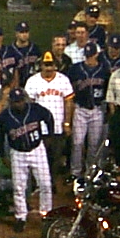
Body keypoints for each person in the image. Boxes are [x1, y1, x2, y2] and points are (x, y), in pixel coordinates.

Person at [0, 88, 54, 233]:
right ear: (10, 102)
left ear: (25, 99)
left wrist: (49, 136)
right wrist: (3, 156)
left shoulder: (35, 109)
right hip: (17, 154)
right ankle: (20, 217)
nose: (19, 104)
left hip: (37, 150)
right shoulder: (4, 116)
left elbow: (49, 117)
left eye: (21, 100)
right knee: (19, 188)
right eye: (16, 102)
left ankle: (46, 213)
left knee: (45, 184)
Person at [24, 51, 74, 186]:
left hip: (57, 127)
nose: (48, 68)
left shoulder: (63, 80)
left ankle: (50, 184)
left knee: (55, 158)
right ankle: (38, 184)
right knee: (38, 159)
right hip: (39, 128)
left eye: (50, 64)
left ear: (55, 66)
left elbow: (69, 102)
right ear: (40, 65)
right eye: (45, 65)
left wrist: (67, 123)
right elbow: (29, 106)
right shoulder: (32, 81)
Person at [67, 42, 108, 180]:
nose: (89, 58)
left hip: (97, 110)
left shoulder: (104, 69)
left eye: (91, 55)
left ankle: (91, 171)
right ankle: (75, 172)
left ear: (96, 54)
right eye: (87, 56)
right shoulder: (75, 69)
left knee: (94, 144)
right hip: (80, 109)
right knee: (77, 142)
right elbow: (70, 89)